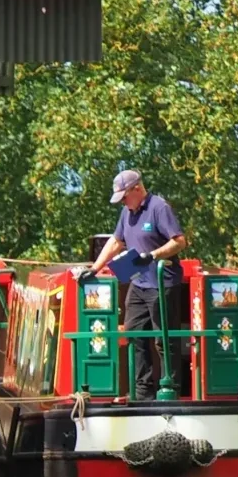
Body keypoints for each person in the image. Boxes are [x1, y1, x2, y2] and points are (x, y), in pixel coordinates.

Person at [86, 169, 190, 398]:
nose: (123, 202)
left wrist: (153, 255)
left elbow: (179, 242)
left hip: (162, 284)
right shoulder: (126, 212)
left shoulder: (158, 208)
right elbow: (116, 241)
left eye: (124, 197)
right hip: (139, 284)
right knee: (134, 334)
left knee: (164, 338)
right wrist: (94, 268)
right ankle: (143, 391)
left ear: (137, 189)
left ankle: (169, 389)